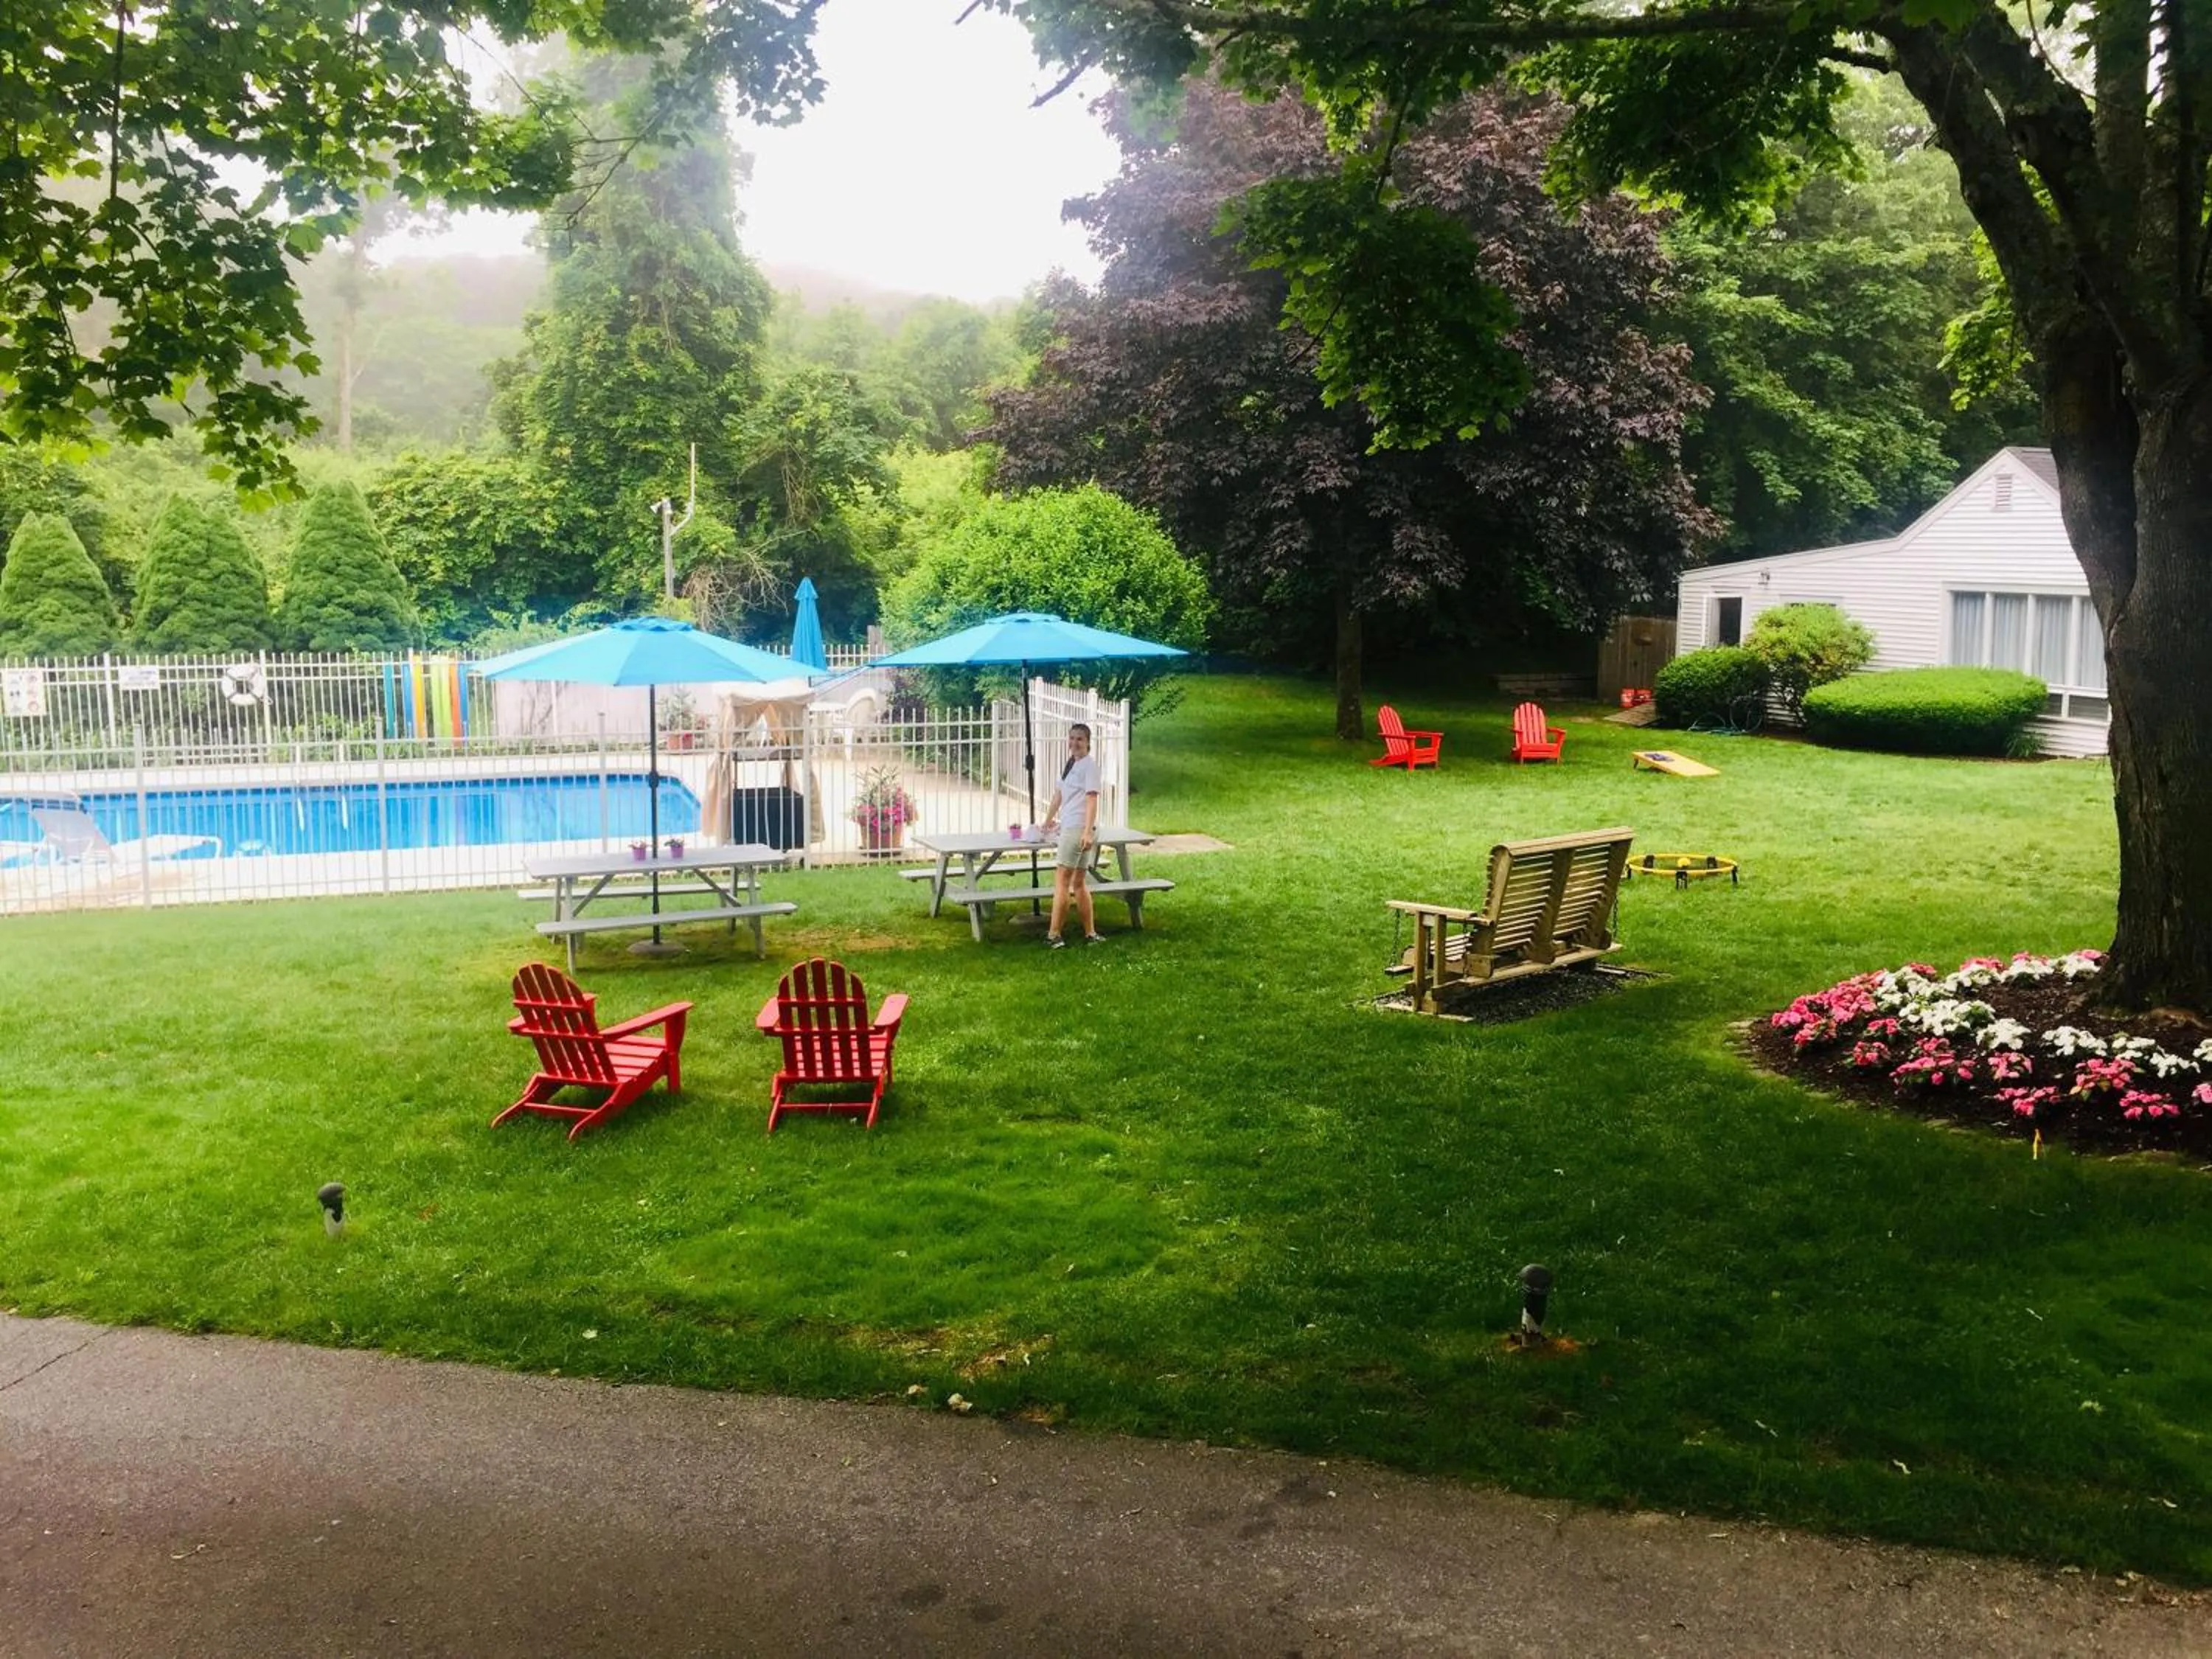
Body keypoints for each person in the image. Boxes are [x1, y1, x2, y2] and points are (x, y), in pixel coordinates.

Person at [1040, 722, 1103, 947]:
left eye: (1080, 739)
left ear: (1088, 743)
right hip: (1070, 827)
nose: (1075, 743)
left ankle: (1054, 935)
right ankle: (1090, 934)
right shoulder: (1070, 765)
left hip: (1077, 830)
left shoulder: (1089, 767)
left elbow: (1092, 799)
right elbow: (1059, 795)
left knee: (1062, 882)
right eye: (1072, 738)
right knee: (1078, 883)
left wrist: (1087, 832)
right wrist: (1047, 822)